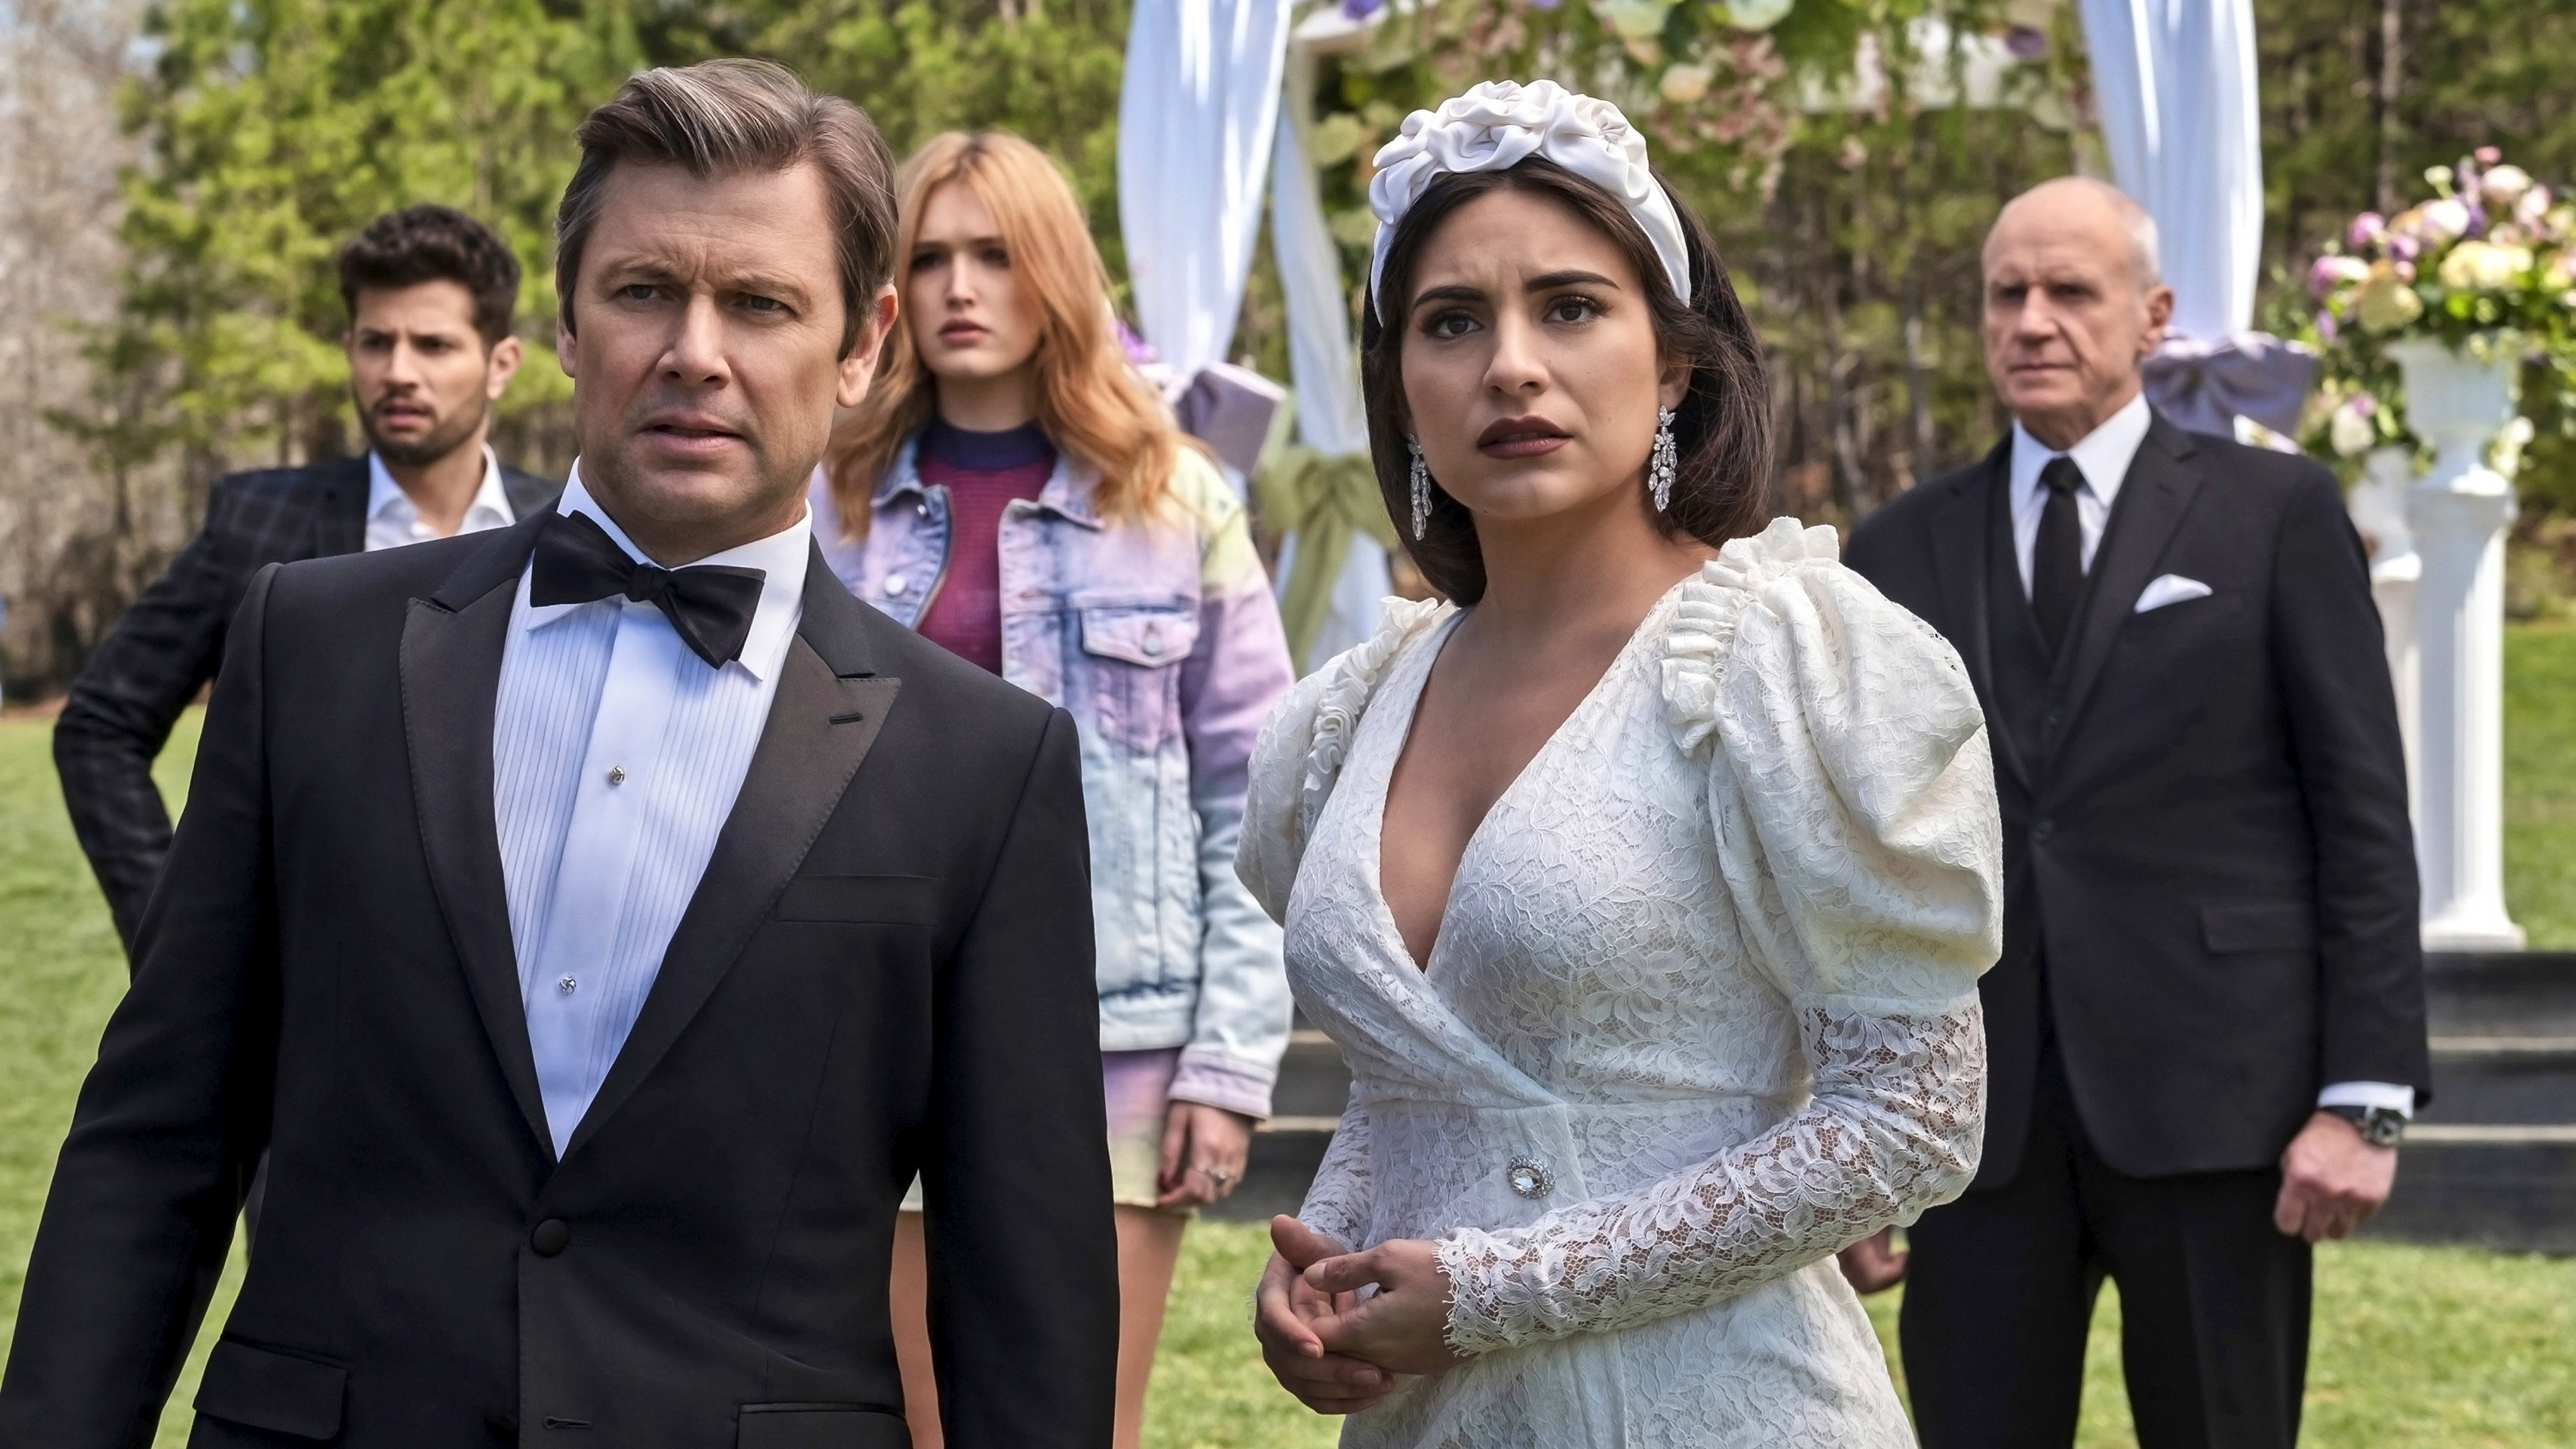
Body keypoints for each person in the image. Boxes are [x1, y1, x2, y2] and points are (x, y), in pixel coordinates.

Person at [0, 59, 1116, 1448]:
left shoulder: (985, 766)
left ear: (862, 343)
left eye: (760, 303)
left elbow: (1028, 1294)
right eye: (644, 290)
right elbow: (156, 1142)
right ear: (571, 321)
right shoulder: (312, 649)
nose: (694, 351)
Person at [1236, 80, 2004, 1446]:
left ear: (1675, 365)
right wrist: (1326, 1255)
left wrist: (1498, 1291)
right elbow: (1425, 1084)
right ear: (1401, 388)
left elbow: (1913, 1116)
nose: (1510, 366)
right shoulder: (1347, 718)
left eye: (1571, 308)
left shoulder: (1779, 663)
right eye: (1452, 322)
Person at [1843, 176, 2429, 1449]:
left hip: (2221, 1108)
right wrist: (1846, 1125)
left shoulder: (2274, 512)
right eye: (2007, 293)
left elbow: (2363, 817)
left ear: (2154, 316)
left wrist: (2365, 1096)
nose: (2032, 321)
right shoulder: (1895, 549)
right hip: (1973, 1128)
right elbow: (1853, 859)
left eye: (2070, 291)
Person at [817, 129, 1296, 1449]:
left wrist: (1227, 1064)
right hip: (879, 1035)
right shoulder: (829, 503)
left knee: (1077, 1425)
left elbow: (1257, 800)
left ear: (1058, 277)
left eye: (997, 255)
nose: (961, 287)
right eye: (929, 259)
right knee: (917, 1425)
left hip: (1117, 1045)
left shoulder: (1177, 498)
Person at [53, 204, 559, 955]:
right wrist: (182, 947)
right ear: (349, 350)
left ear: (502, 364)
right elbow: (100, 727)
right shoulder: (257, 527)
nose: (398, 373)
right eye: (376, 342)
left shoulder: (564, 532)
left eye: (433, 345)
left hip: (519, 982)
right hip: (320, 988)